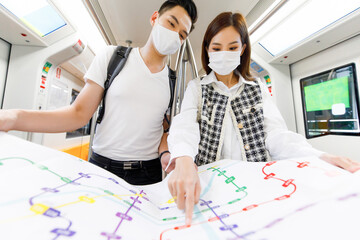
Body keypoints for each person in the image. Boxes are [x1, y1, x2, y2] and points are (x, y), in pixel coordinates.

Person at [165, 12, 360, 225]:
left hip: (254, 185)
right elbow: (185, 127)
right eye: (216, 47)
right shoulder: (197, 88)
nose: (224, 53)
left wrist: (318, 156)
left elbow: (276, 135)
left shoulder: (257, 88)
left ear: (243, 49)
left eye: (232, 48)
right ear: (207, 49)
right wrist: (184, 159)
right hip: (210, 186)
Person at [0, 0, 198, 185]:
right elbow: (77, 115)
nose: (175, 35)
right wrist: (14, 117)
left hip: (147, 172)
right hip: (102, 166)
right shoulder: (113, 57)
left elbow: (164, 130)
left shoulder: (173, 81)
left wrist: (166, 154)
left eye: (182, 35)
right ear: (154, 18)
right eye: (171, 24)